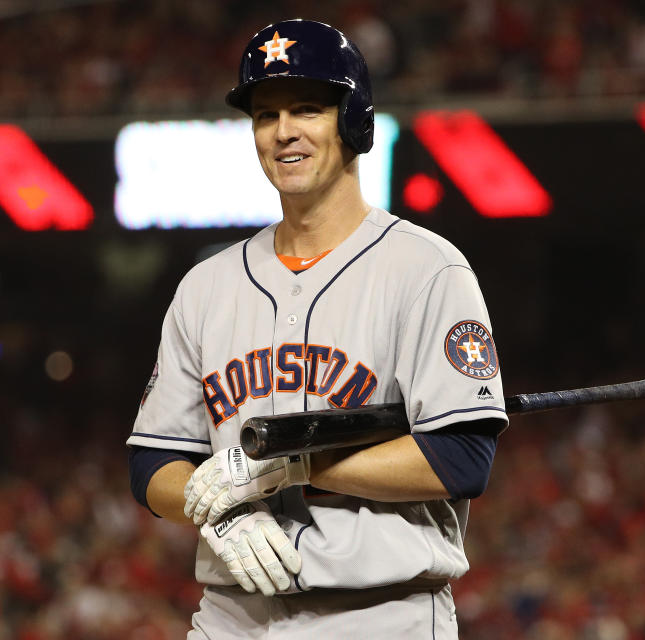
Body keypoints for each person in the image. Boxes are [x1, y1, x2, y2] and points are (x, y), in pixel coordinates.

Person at [126, 19, 507, 639]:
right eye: (265, 114)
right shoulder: (206, 285)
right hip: (231, 619)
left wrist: (290, 467)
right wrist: (218, 506)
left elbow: (461, 459)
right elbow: (153, 463)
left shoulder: (428, 270)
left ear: (354, 120)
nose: (283, 133)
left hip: (384, 616)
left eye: (306, 108)